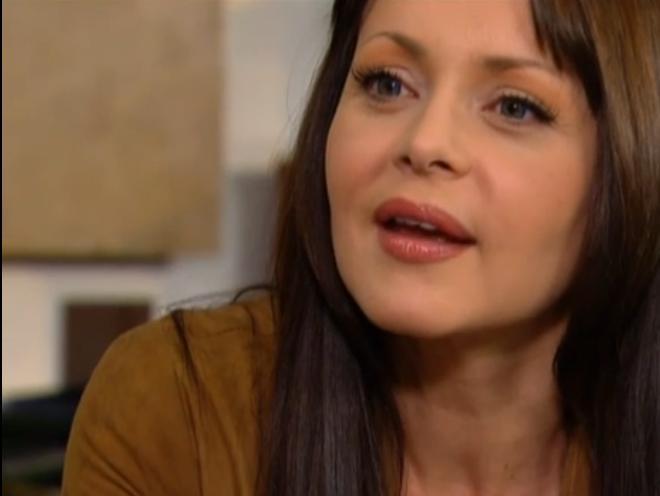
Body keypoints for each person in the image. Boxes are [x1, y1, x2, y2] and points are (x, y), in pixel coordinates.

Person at [62, 0, 660, 495]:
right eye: (387, 83)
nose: (425, 142)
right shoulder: (177, 411)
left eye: (514, 107)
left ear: (632, 165)